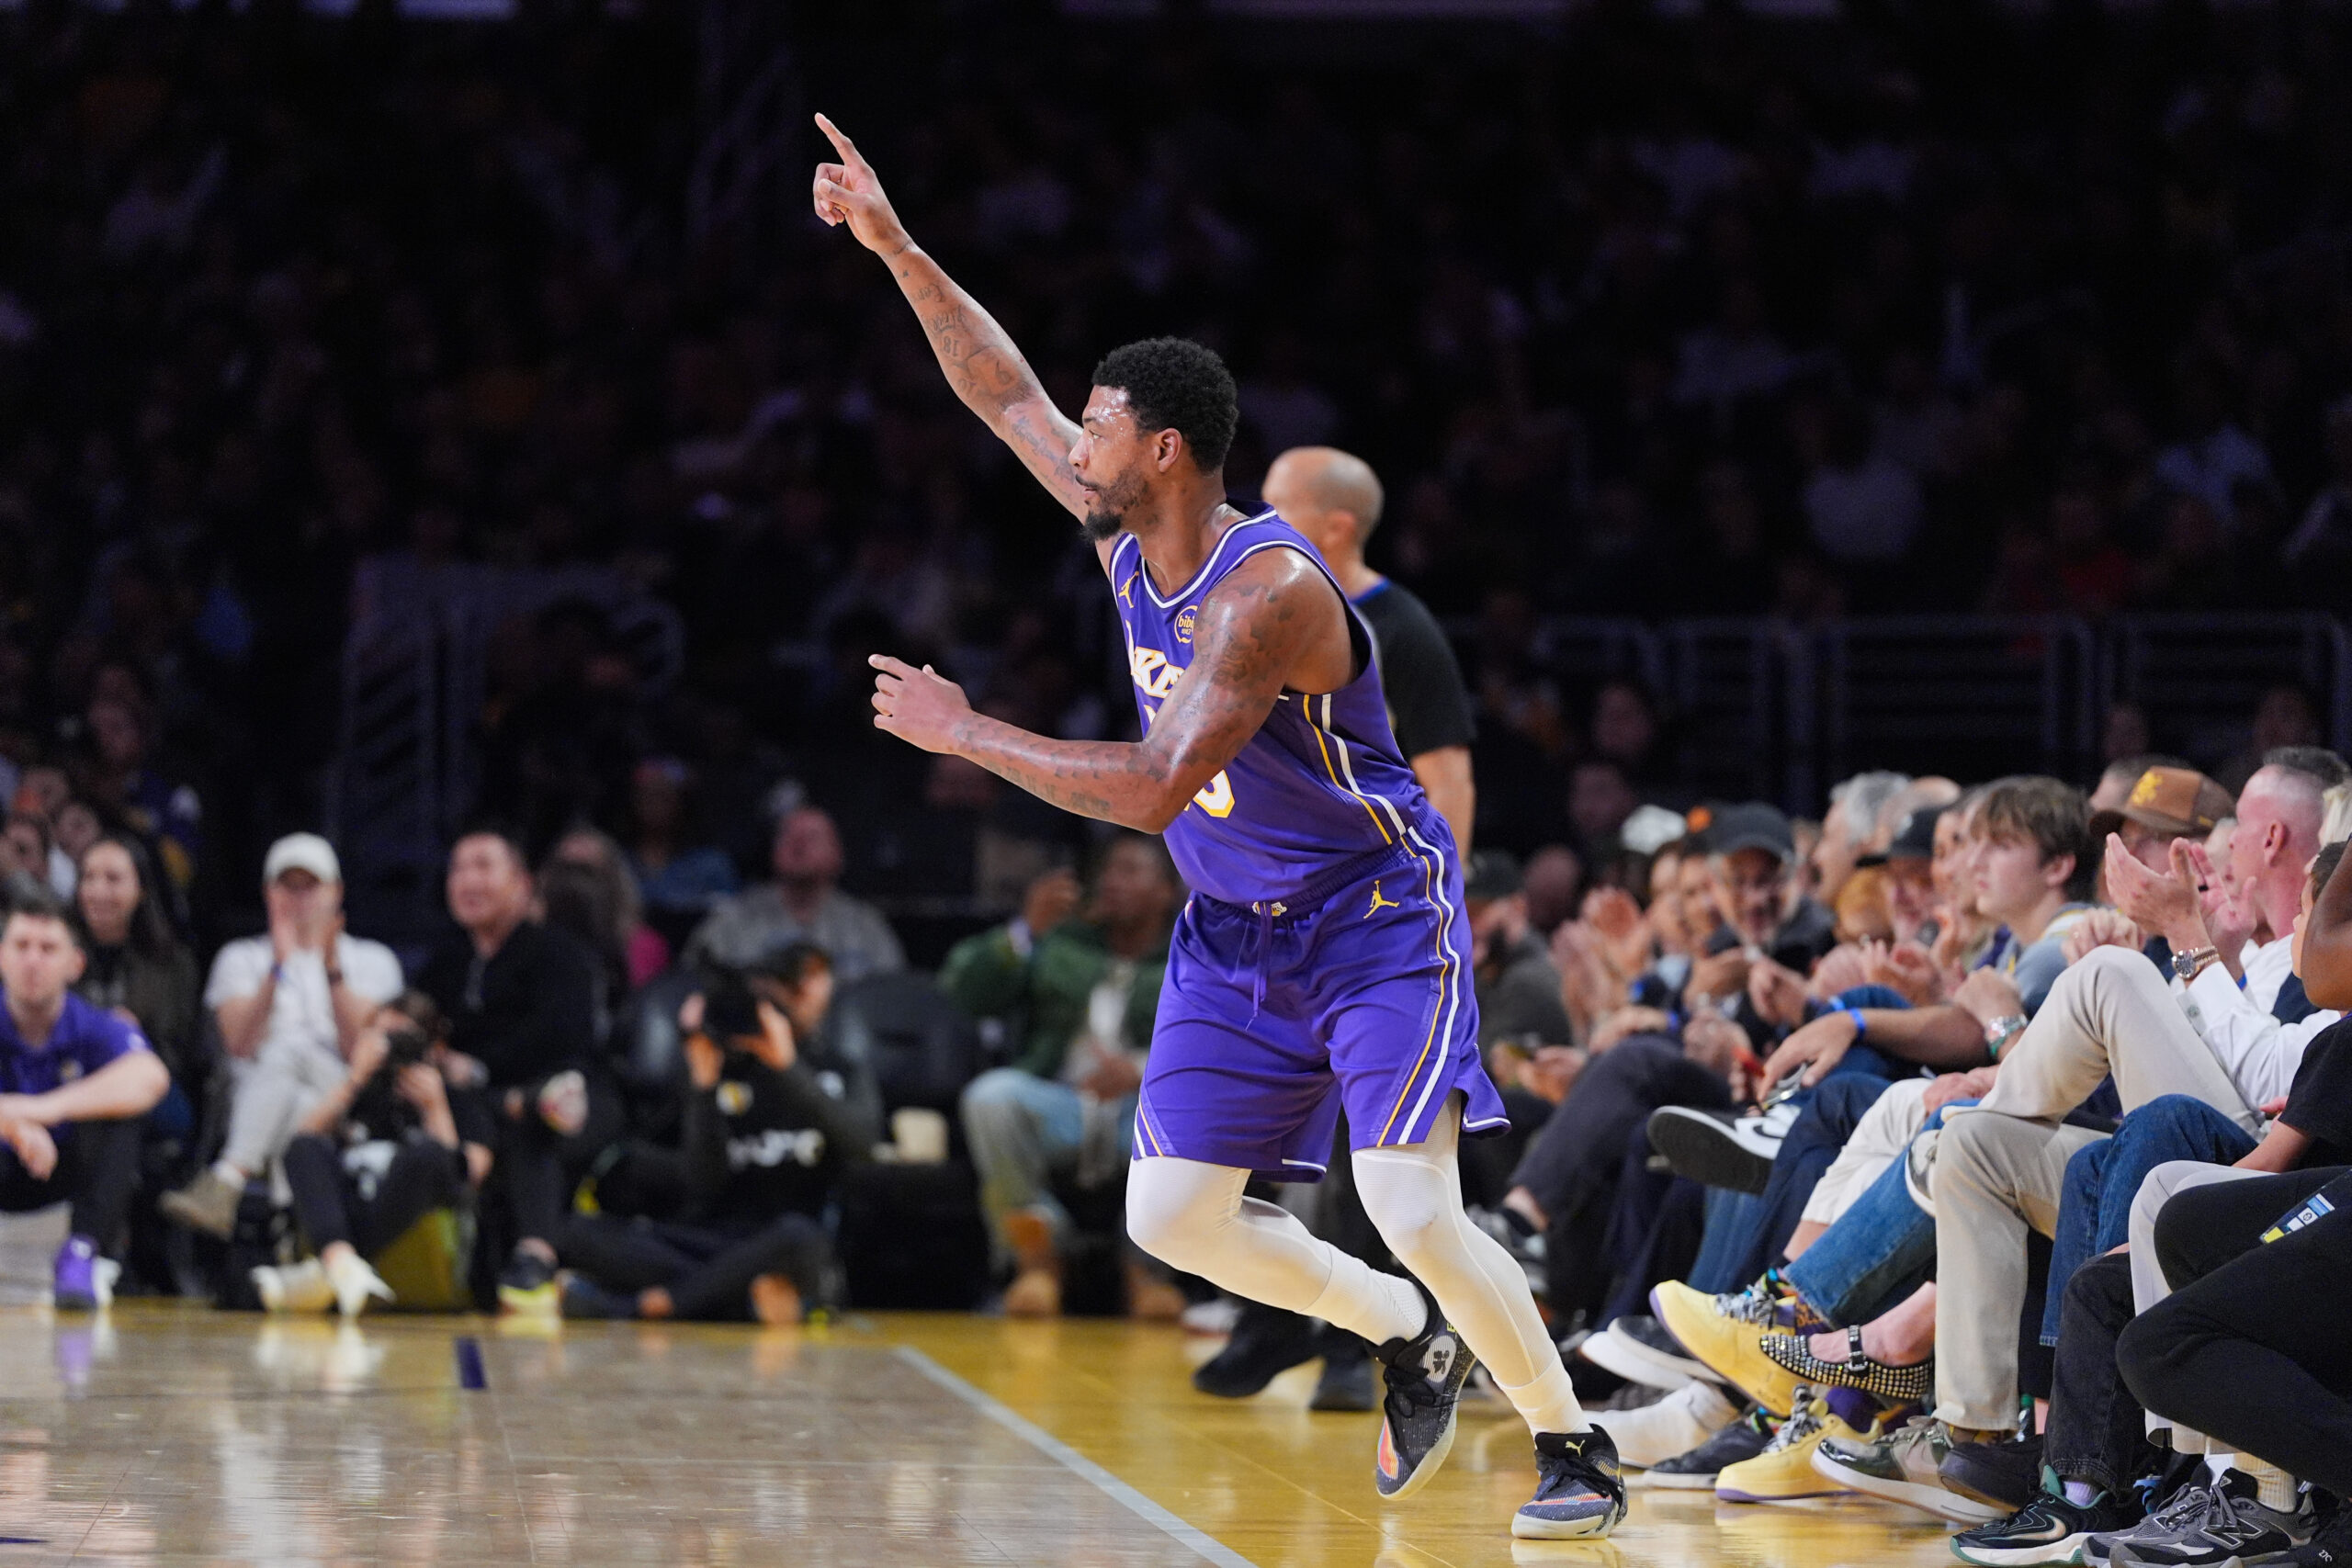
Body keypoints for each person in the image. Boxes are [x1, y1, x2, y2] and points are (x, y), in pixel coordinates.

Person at [816, 116, 1624, 1540]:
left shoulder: (1268, 594)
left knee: (1414, 1198)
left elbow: (1144, 790)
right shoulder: (1125, 526)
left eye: (1104, 424)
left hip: (1375, 909)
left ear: (1167, 448)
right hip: (1233, 927)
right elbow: (994, 388)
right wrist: (895, 246)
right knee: (1171, 1216)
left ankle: (1575, 1445)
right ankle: (1401, 1333)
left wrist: (970, 730)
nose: (1077, 437)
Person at [560, 953, 874, 1323]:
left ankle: (644, 1306)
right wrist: (703, 1090)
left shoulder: (839, 1070)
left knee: (798, 1234)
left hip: (787, 1244)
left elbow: (862, 1144)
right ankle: (743, 1302)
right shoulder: (720, 1072)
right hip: (713, 1245)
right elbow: (701, 1185)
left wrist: (788, 1068)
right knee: (578, 1233)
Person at [945, 835, 1182, 1319]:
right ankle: (1038, 1260)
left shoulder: (1194, 951)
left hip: (1145, 1110)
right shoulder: (1063, 940)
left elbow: (1228, 1035)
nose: (1112, 881)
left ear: (1166, 891)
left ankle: (1147, 1271)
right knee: (991, 1098)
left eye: (1131, 871)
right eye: (1109, 870)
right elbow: (964, 994)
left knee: (1200, 1113)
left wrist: (1140, 1069)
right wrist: (1025, 932)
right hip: (1061, 1103)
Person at [160, 833, 404, 1237]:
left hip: (349, 1097)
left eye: (311, 885)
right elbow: (239, 1044)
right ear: (268, 893)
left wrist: (332, 971)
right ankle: (295, 1230)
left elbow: (359, 1049)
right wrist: (276, 968)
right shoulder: (241, 957)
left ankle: (228, 1177)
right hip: (253, 1101)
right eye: (287, 885)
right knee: (296, 1098)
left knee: (291, 1049)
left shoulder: (374, 960)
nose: (299, 897)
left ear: (336, 892)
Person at [416, 829, 610, 1310]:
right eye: (458, 868)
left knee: (536, 1115)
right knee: (471, 1101)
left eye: (483, 866)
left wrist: (478, 1067)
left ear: (522, 884)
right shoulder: (446, 961)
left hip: (567, 1097)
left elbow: (563, 1040)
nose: (467, 880)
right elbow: (420, 1031)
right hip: (477, 1106)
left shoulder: (559, 954)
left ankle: (535, 1253)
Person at [1264, 445, 1477, 854]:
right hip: (1256, 864)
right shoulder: (1246, 607)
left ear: (1336, 529)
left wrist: (1441, 896)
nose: (1257, 519)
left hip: (1357, 870)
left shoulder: (1402, 627)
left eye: (1278, 505)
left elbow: (1448, 778)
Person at [256, 991, 495, 1318]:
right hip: (354, 1203)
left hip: (417, 1227)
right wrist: (354, 1079)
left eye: (402, 1039)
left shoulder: (458, 1099)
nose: (391, 1049)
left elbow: (471, 1173)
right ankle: (342, 1263)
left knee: (430, 1155)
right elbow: (301, 1148)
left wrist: (435, 1108)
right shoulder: (360, 1093)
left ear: (432, 1046)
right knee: (305, 1145)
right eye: (381, 1036)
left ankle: (333, 1270)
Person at [0, 890, 170, 1309]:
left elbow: (151, 1076)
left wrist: (40, 1109)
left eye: (47, 948)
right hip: (6, 1164)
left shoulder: (92, 1022)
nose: (33, 960)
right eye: (21, 946)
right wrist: (13, 1125)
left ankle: (80, 1253)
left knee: (126, 1115)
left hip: (65, 1167)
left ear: (74, 964)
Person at [683, 805, 905, 983]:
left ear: (837, 855)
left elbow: (890, 998)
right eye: (787, 835)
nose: (798, 844)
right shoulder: (732, 920)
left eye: (812, 837)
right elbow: (692, 981)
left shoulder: (865, 925)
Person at [72, 833, 199, 1084]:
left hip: (144, 1079)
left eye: (113, 879)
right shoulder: (54, 947)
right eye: (89, 878)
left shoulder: (173, 961)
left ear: (141, 890)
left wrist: (135, 1034)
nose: (98, 891)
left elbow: (179, 1052)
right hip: (68, 1077)